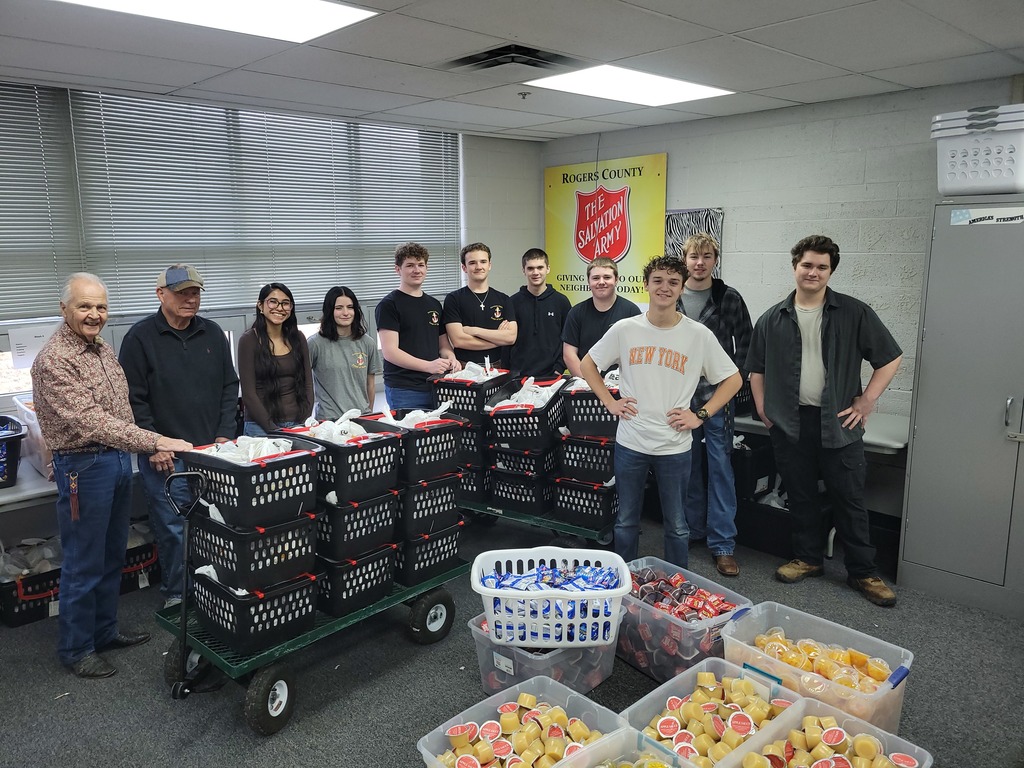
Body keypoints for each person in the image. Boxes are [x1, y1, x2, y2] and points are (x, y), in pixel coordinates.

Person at [30, 273, 193, 679]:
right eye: (85, 306)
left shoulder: (100, 348)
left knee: (111, 554)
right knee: (84, 561)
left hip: (118, 461)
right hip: (84, 468)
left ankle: (104, 631)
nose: (94, 315)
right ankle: (77, 647)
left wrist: (146, 444)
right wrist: (157, 439)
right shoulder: (54, 361)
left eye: (101, 307)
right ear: (64, 307)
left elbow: (121, 412)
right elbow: (94, 422)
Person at [746, 235, 903, 607]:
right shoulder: (773, 318)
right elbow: (756, 369)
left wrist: (867, 401)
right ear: (795, 266)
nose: (813, 272)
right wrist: (764, 409)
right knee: (799, 495)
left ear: (830, 271)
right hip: (790, 424)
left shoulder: (853, 312)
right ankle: (808, 559)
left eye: (821, 267)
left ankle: (863, 572)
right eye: (807, 265)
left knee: (848, 498)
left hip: (840, 422)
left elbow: (890, 358)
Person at [582, 256, 742, 567]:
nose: (664, 288)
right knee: (626, 522)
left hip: (675, 445)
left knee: (678, 526)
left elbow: (733, 379)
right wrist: (609, 401)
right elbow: (589, 364)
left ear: (682, 289)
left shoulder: (698, 335)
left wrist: (701, 415)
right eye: (658, 280)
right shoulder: (625, 329)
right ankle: (624, 585)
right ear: (646, 285)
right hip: (631, 441)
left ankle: (676, 586)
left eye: (672, 282)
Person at [119, 264, 239, 609]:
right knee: (173, 528)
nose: (191, 299)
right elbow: (133, 400)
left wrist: (224, 435)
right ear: (161, 294)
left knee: (214, 524)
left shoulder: (213, 333)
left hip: (212, 452)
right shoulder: (140, 338)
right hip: (165, 457)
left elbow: (229, 387)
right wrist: (154, 444)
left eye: (195, 292)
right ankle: (178, 596)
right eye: (182, 292)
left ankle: (212, 589)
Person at [678, 234, 753, 578]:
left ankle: (723, 544)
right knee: (687, 467)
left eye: (707, 256)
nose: (700, 262)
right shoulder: (673, 294)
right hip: (679, 398)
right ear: (685, 258)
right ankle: (694, 529)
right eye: (694, 256)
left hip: (717, 399)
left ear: (715, 260)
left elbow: (747, 346)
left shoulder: (728, 298)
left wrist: (730, 383)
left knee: (720, 468)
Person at [376, 242, 461, 410]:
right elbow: (390, 352)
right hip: (404, 389)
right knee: (411, 436)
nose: (417, 270)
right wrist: (428, 366)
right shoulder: (389, 305)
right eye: (410, 265)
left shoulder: (434, 304)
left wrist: (451, 358)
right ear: (397, 269)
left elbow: (443, 345)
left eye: (421, 265)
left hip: (436, 385)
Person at [238, 282, 314, 435]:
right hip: (259, 427)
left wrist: (303, 420)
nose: (279, 308)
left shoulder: (298, 338)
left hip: (297, 423)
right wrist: (272, 428)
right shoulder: (248, 340)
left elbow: (308, 384)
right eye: (273, 301)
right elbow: (249, 394)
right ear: (260, 305)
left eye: (285, 303)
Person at [308, 285, 383, 417]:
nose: (345, 313)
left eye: (350, 307)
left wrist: (368, 416)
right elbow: (302, 384)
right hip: (329, 421)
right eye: (338, 308)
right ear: (329, 310)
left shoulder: (367, 343)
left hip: (361, 418)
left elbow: (370, 385)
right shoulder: (315, 343)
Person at [562, 257, 641, 378]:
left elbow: (638, 354)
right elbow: (569, 354)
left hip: (623, 386)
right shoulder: (576, 313)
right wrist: (592, 383)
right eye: (595, 278)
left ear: (616, 280)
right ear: (588, 281)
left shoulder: (631, 312)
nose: (601, 282)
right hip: (586, 386)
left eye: (607, 277)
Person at [443, 242, 518, 367]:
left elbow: (511, 337)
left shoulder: (504, 299)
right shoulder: (453, 299)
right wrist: (498, 340)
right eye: (472, 263)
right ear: (464, 268)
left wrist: (474, 331)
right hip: (464, 367)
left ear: (490, 265)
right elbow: (459, 341)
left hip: (498, 367)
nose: (478, 267)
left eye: (483, 262)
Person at [505, 247, 572, 378]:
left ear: (548, 269)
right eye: (530, 268)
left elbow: (570, 340)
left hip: (552, 376)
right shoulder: (512, 302)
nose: (535, 272)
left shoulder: (561, 302)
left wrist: (559, 368)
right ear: (523, 270)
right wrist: (509, 372)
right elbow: (506, 343)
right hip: (518, 377)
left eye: (540, 267)